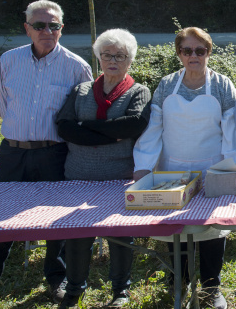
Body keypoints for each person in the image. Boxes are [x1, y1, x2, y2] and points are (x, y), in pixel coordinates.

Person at [0, 0, 92, 309]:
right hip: (13, 154)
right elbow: (6, 105)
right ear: (27, 28)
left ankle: (56, 281)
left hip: (54, 154)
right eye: (40, 25)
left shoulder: (76, 66)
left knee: (56, 224)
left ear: (62, 28)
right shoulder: (9, 61)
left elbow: (80, 117)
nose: (48, 31)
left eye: (54, 25)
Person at [133, 27, 236, 309]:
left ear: (209, 52)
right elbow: (154, 128)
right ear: (179, 53)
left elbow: (231, 129)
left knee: (212, 231)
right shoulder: (167, 85)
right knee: (175, 231)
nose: (194, 56)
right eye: (187, 50)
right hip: (172, 173)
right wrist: (143, 167)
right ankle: (178, 282)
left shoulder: (222, 85)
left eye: (200, 50)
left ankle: (211, 288)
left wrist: (230, 169)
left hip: (211, 170)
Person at [55, 29, 150, 308]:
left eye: (120, 55)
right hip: (78, 176)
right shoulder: (81, 90)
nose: (113, 60)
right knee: (76, 235)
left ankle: (121, 290)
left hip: (118, 178)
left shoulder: (138, 91)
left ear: (129, 60)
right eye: (107, 54)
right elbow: (64, 127)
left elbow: (133, 125)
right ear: (98, 58)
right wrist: (111, 133)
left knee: (120, 237)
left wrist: (86, 127)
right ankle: (74, 289)